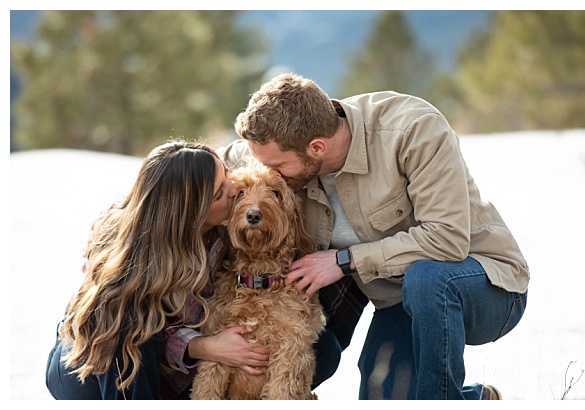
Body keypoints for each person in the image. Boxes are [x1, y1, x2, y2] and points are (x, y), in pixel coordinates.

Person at [220, 73, 529, 400]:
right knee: (381, 394)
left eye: (277, 169)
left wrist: (344, 260)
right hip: (397, 300)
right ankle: (474, 399)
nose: (269, 173)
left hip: (482, 283)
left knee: (426, 280)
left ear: (317, 147)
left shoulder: (413, 130)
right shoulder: (279, 146)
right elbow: (205, 169)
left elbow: (447, 240)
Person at [46, 141, 341, 399]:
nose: (234, 190)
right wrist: (204, 347)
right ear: (191, 209)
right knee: (129, 322)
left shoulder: (223, 233)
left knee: (322, 346)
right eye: (220, 192)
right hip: (92, 367)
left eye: (227, 179)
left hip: (166, 371)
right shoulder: (127, 243)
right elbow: (113, 327)